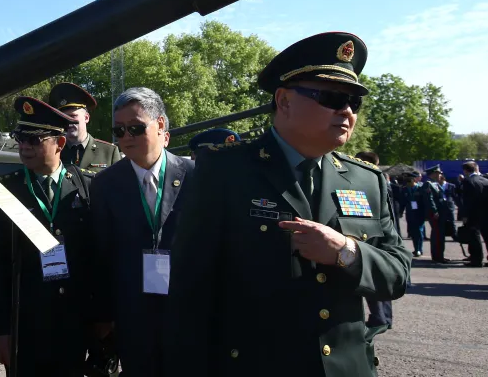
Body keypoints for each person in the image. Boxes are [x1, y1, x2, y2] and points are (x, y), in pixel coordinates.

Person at [166, 32, 410, 376]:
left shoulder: (367, 180)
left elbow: (398, 275)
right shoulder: (223, 171)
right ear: (284, 101)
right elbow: (189, 292)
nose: (346, 112)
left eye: (353, 103)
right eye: (331, 97)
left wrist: (346, 251)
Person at [0, 96, 96, 376]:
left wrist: (101, 317)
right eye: (21, 137)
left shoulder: (86, 187)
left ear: (60, 143)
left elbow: (97, 258)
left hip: (73, 325)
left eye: (35, 139)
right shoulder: (2, 192)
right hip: (24, 326)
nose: (24, 146)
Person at [91, 87, 195, 377]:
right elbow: (102, 253)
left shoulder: (196, 176)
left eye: (135, 128)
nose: (126, 137)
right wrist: (103, 315)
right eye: (119, 130)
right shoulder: (105, 184)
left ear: (160, 125)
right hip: (133, 317)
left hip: (187, 313)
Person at [355, 152, 395, 330]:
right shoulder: (381, 179)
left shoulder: (364, 180)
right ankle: (385, 317)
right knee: (381, 276)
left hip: (369, 236)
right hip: (383, 235)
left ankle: (379, 317)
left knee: (370, 278)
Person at [48, 82, 121, 171]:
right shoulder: (53, 151)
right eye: (63, 118)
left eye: (72, 116)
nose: (68, 122)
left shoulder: (109, 152)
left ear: (86, 118)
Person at [460, 161, 488, 267]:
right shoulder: (485, 180)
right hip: (486, 213)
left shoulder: (468, 181)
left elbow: (467, 200)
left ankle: (476, 260)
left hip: (473, 213)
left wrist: (465, 215)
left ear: (465, 171)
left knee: (474, 237)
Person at [423, 165, 450, 263]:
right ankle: (437, 256)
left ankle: (440, 255)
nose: (440, 175)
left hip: (441, 212)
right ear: (433, 174)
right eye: (438, 173)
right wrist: (434, 211)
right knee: (437, 235)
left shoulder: (436, 184)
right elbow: (429, 199)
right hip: (436, 214)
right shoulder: (428, 184)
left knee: (440, 235)